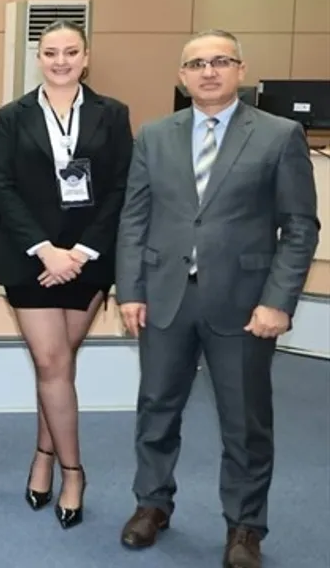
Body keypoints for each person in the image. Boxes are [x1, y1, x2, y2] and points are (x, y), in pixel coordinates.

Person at [115, 30, 319, 567]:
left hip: (246, 304)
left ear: (240, 69)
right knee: (156, 409)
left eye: (220, 61)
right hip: (166, 299)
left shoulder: (279, 135)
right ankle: (152, 504)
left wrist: (279, 301)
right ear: (181, 76)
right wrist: (130, 290)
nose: (209, 71)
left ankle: (245, 527)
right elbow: (135, 219)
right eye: (197, 64)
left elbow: (300, 227)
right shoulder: (154, 135)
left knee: (245, 423)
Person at [0, 20, 133, 528]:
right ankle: (74, 472)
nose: (60, 61)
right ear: (39, 58)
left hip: (88, 261)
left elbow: (121, 187)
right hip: (30, 258)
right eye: (51, 52)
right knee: (52, 362)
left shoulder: (112, 113)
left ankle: (43, 455)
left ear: (86, 57)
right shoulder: (12, 116)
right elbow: (1, 186)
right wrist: (46, 250)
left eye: (71, 52)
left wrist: (80, 253)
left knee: (58, 369)